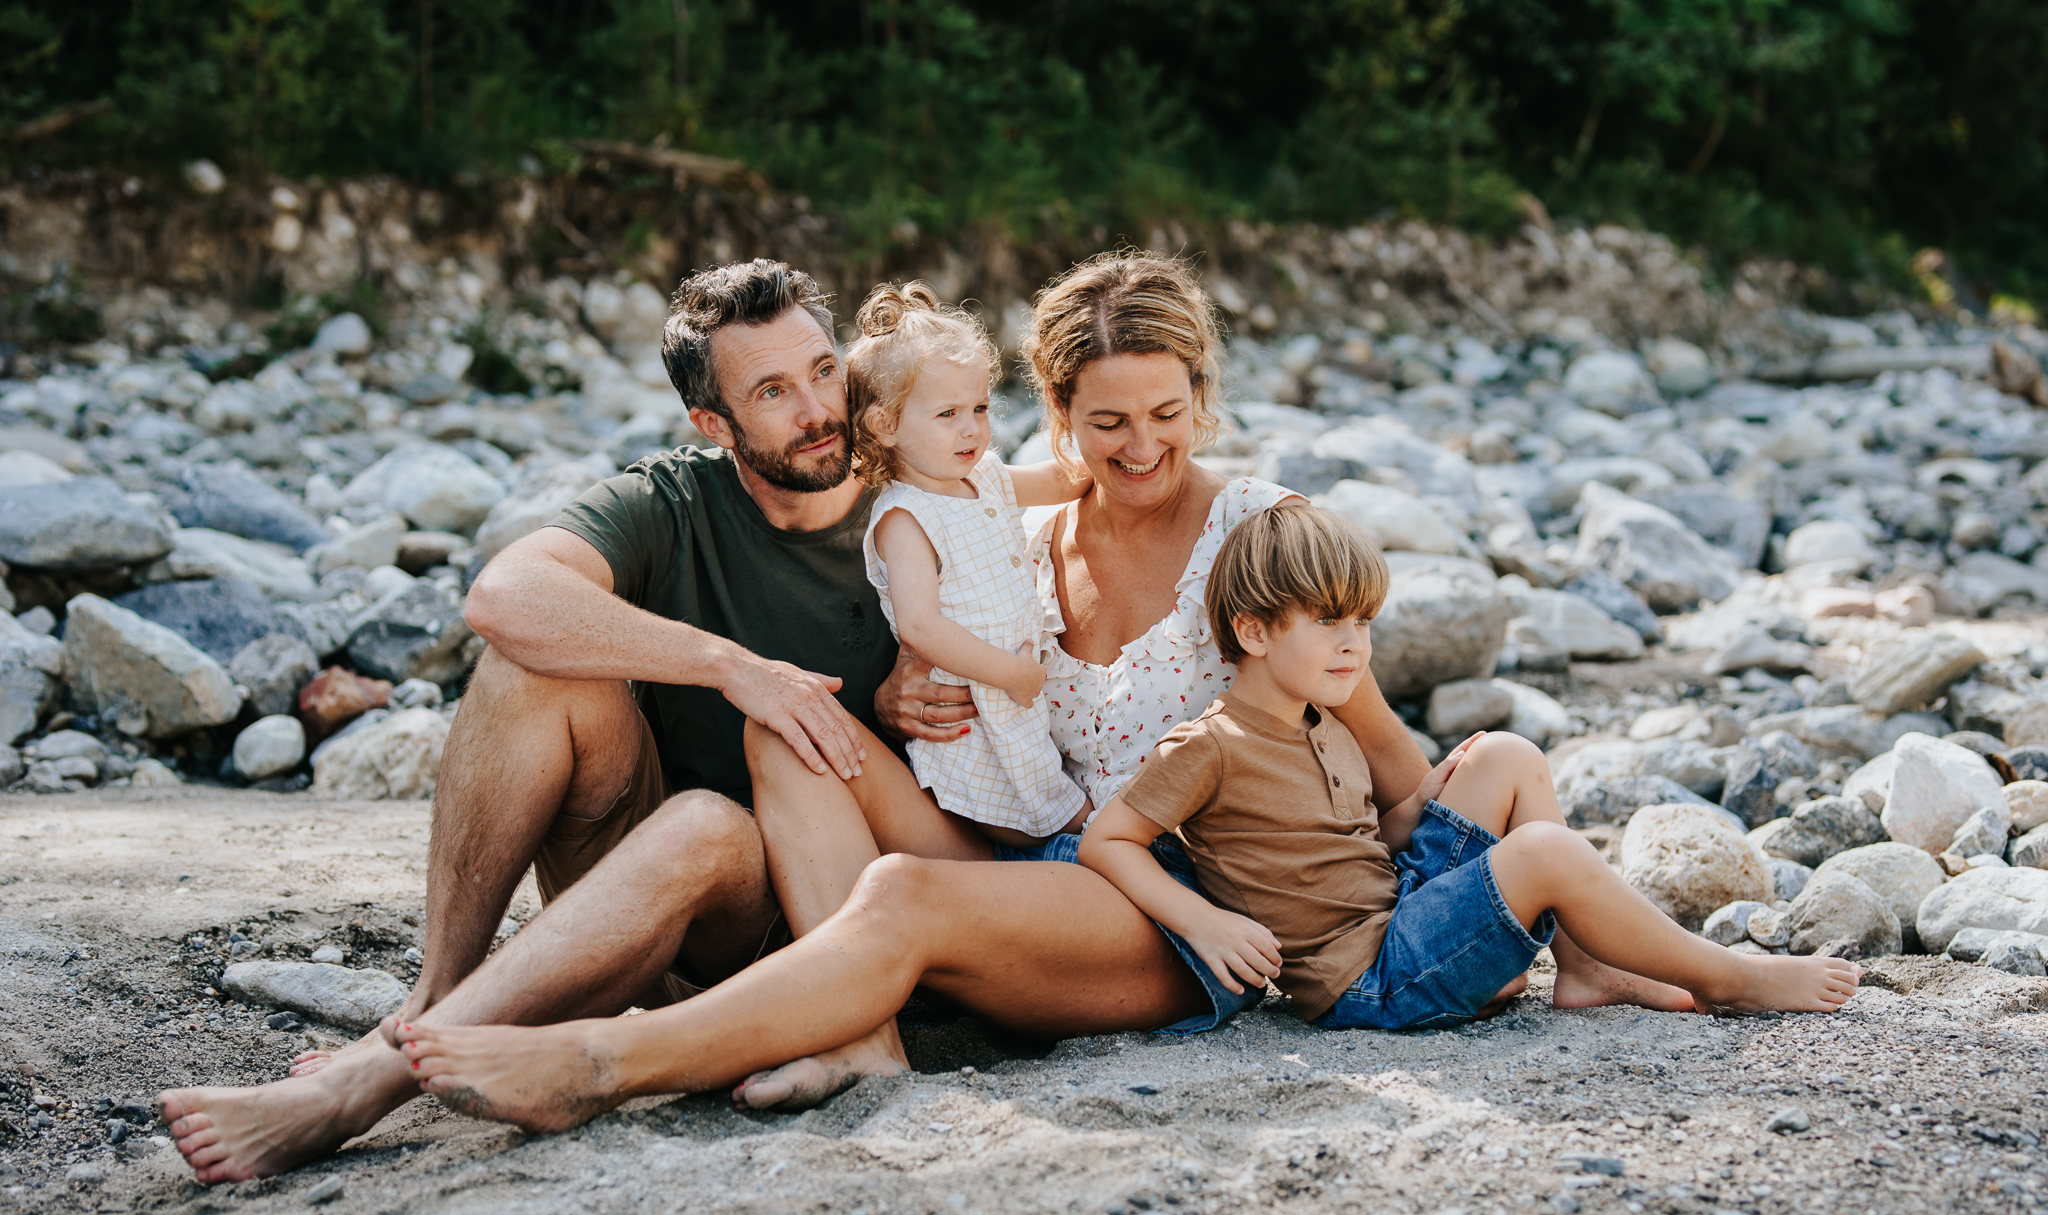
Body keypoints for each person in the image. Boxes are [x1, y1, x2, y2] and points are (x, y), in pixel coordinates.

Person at [374, 253, 1709, 1133]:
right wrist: (894, 698)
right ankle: (849, 1032)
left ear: (1206, 400)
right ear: (1051, 415)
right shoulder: (1001, 519)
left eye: (1169, 415)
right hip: (1043, 850)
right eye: (1104, 422)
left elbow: (1390, 762)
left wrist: (1439, 928)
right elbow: (915, 541)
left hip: (1181, 899)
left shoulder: (1255, 535)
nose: (1139, 451)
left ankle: (606, 1060)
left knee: (900, 895)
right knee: (801, 725)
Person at [158, 258, 910, 1183]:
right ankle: (433, 1002)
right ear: (713, 424)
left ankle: (367, 1083)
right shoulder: (672, 500)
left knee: (711, 826)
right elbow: (504, 592)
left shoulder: (913, 505)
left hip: (813, 926)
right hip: (636, 901)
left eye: (823, 370)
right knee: (529, 658)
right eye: (773, 390)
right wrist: (730, 667)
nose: (817, 408)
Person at [1080, 502, 1862, 1026]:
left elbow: (1352, 846)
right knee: (1545, 851)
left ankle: (1585, 967)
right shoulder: (1209, 745)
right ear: (1252, 633)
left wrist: (1425, 803)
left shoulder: (1320, 719)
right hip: (1368, 976)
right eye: (1328, 622)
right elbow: (1107, 839)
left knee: (1506, 755)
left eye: (1363, 620)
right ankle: (1723, 975)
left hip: (1397, 911)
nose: (1355, 642)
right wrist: (1202, 919)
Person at [851, 280, 1093, 846]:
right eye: (948, 413)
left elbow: (1058, 481)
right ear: (886, 426)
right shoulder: (905, 517)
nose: (972, 428)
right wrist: (1008, 673)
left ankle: (1064, 844)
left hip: (1013, 687)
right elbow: (919, 624)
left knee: (1042, 780)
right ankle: (1040, 860)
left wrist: (1112, 452)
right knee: (1005, 799)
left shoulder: (982, 477)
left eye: (981, 408)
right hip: (972, 693)